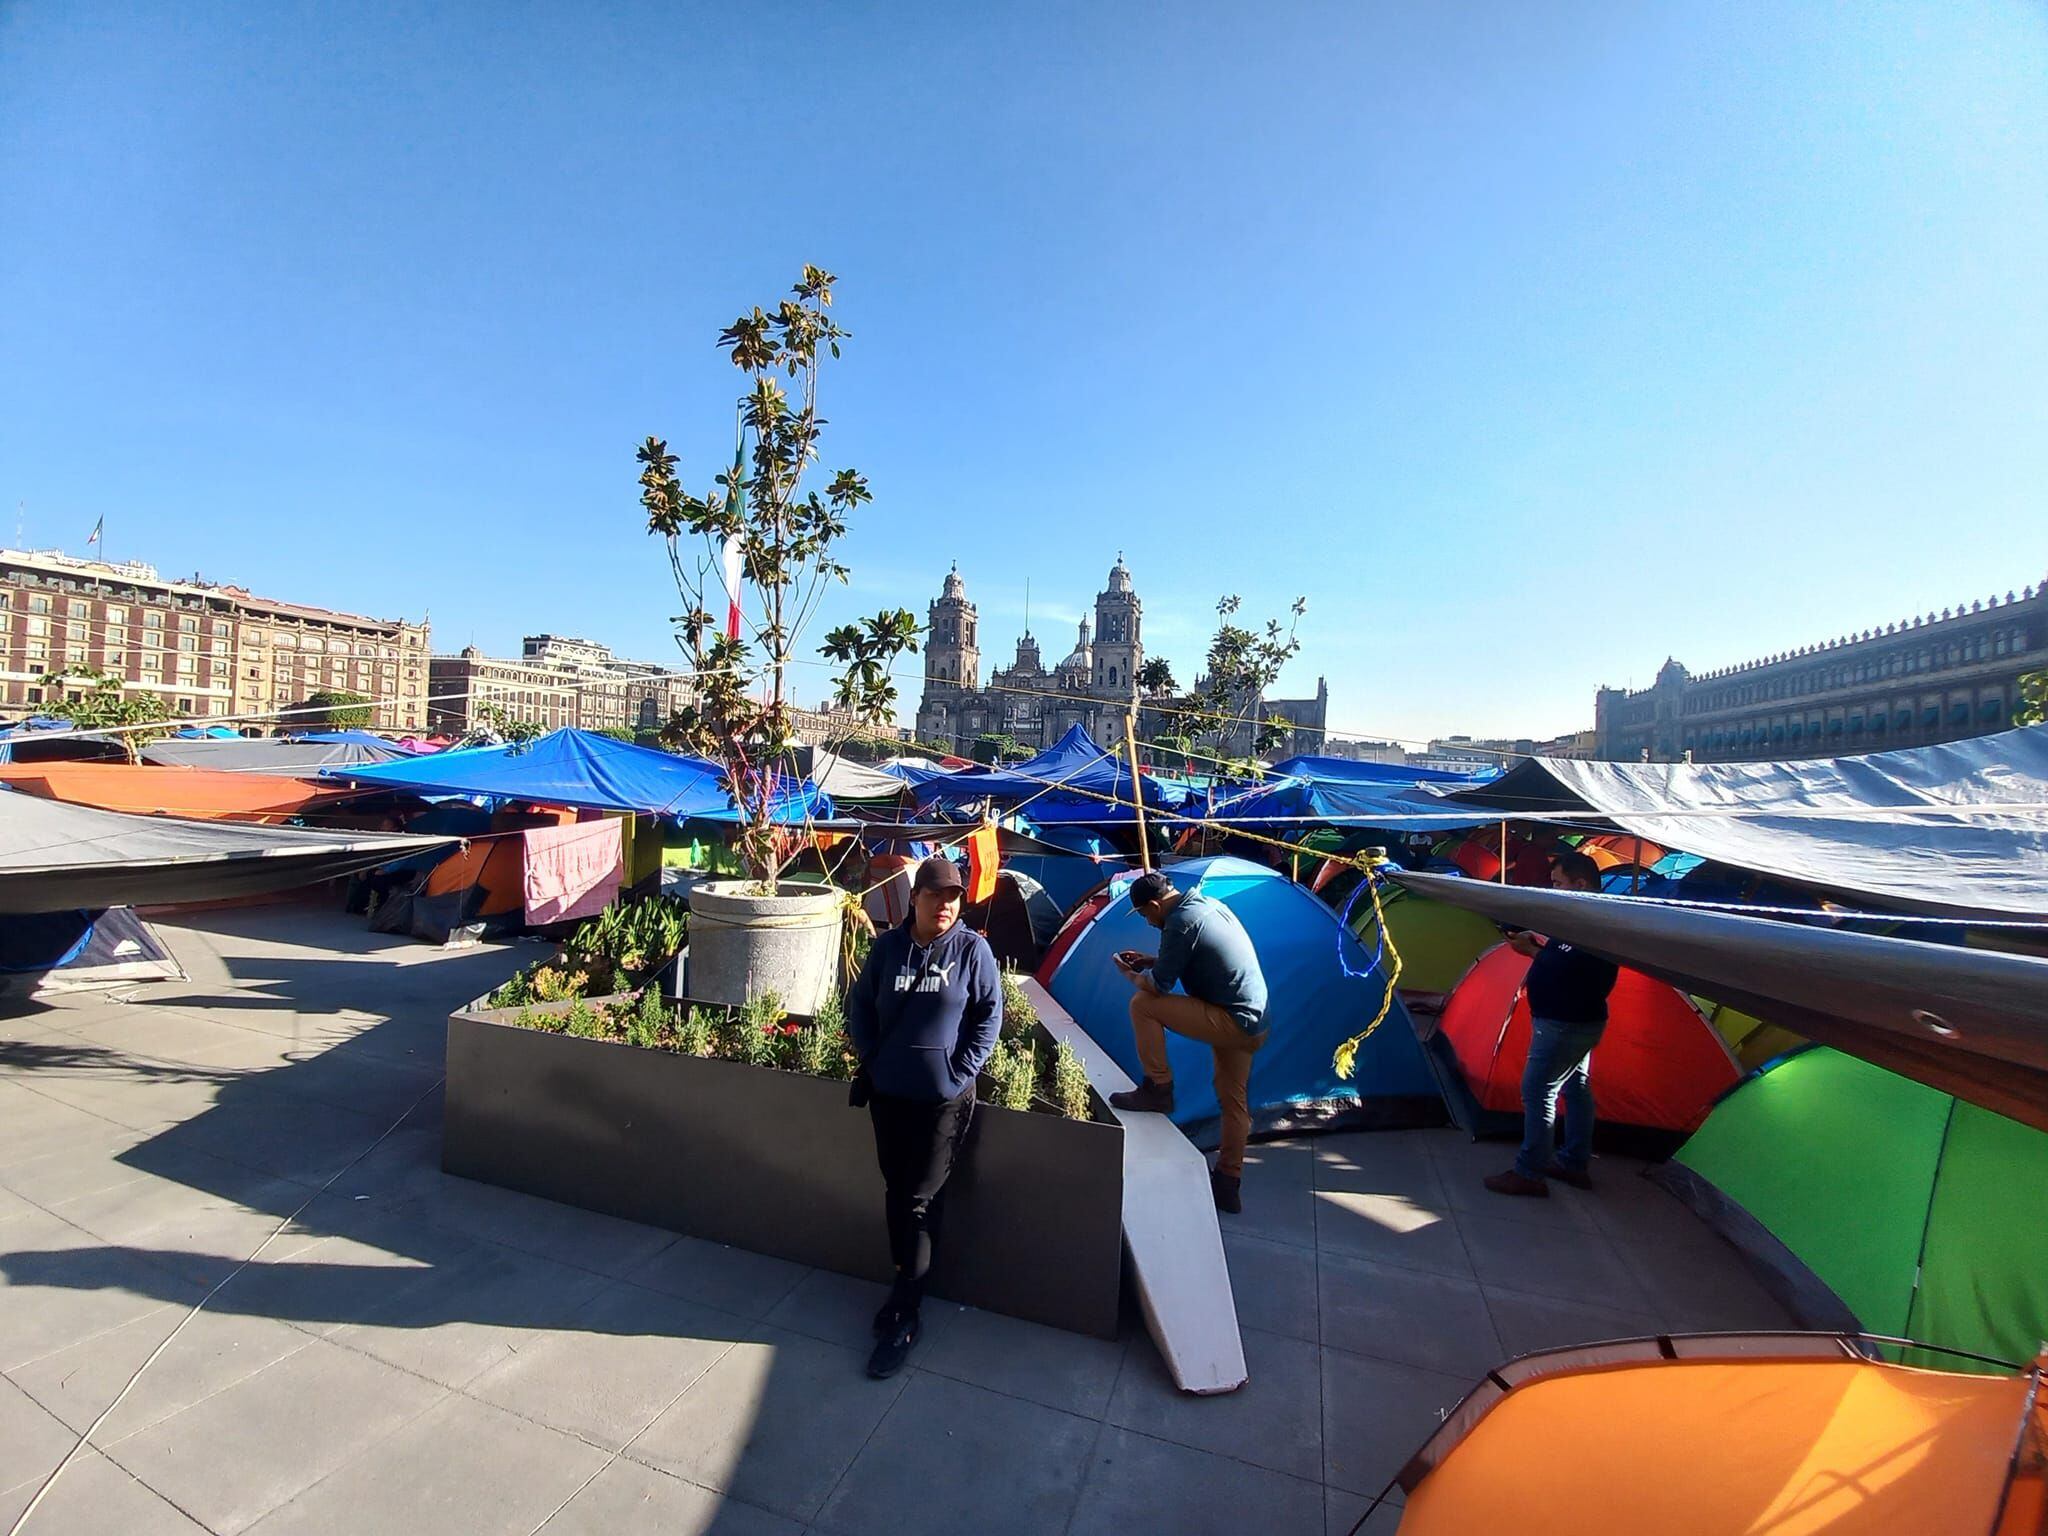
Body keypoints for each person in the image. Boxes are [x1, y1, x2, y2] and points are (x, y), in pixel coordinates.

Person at [844, 855, 1000, 1378]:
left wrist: (959, 1073)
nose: (946, 905)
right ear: (916, 897)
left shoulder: (973, 951)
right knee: (896, 1190)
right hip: (890, 1095)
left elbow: (987, 1015)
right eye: (936, 895)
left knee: (918, 1199)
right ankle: (902, 1284)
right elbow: (859, 1006)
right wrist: (873, 1058)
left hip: (945, 1104)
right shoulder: (887, 949)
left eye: (954, 897)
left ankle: (906, 1311)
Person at [1107, 870, 1269, 1214]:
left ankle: (1157, 1089)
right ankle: (1228, 1184)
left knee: (1142, 1005)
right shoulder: (1206, 904)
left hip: (1230, 1020)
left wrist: (1129, 973)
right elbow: (1195, 955)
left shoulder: (1179, 922)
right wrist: (1153, 961)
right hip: (1254, 1022)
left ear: (1154, 904)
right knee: (1233, 1100)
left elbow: (1159, 987)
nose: (1149, 923)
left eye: (1146, 915)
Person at [1484, 850, 1619, 1198]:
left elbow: (1574, 970)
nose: (1555, 888)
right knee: (1577, 1088)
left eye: (1559, 883)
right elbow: (1567, 960)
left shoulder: (1593, 923)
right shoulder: (1584, 917)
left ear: (1581, 883)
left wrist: (1533, 952)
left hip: (1565, 1022)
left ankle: (1529, 1172)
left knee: (1539, 1091)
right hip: (1576, 1020)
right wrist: (1538, 943)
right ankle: (1573, 1162)